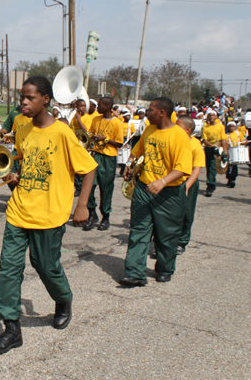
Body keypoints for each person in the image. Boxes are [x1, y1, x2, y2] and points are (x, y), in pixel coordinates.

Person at [0, 76, 96, 355]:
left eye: (30, 97)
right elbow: (25, 166)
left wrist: (81, 205)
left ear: (45, 100)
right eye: (22, 96)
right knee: (8, 269)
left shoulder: (62, 132)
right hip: (19, 210)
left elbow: (88, 168)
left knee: (45, 265)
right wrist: (12, 177)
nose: (23, 101)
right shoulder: (22, 131)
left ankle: (63, 298)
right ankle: (11, 328)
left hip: (51, 213)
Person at [119, 97, 192, 287]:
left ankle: (165, 269)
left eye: (150, 110)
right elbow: (138, 150)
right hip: (144, 189)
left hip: (169, 192)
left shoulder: (179, 136)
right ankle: (135, 273)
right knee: (139, 230)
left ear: (162, 113)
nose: (147, 112)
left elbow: (183, 168)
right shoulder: (149, 130)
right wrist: (129, 164)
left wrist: (162, 181)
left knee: (166, 234)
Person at [83, 96, 124, 231]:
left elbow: (119, 143)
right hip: (95, 156)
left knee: (106, 189)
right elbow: (91, 134)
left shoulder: (117, 123)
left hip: (108, 159)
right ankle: (92, 213)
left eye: (99, 105)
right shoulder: (95, 119)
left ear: (107, 107)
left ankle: (105, 216)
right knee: (88, 186)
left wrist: (105, 139)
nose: (97, 107)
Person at [174, 116, 204, 256]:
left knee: (186, 213)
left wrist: (186, 187)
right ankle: (163, 242)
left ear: (187, 130)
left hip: (187, 182)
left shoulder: (196, 145)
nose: (174, 127)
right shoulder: (173, 140)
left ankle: (181, 241)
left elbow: (196, 169)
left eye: (177, 125)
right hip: (171, 181)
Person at [201, 110, 228, 197]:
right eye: (209, 115)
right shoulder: (205, 127)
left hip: (217, 149)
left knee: (213, 166)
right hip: (209, 149)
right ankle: (211, 183)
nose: (211, 117)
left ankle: (210, 185)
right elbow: (205, 140)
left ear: (216, 117)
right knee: (209, 166)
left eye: (213, 115)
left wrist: (225, 150)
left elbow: (223, 139)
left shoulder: (220, 127)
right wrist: (212, 146)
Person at [225, 121, 245, 189]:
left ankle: (232, 179)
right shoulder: (226, 135)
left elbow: (243, 141)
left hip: (236, 151)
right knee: (229, 166)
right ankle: (229, 178)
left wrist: (245, 142)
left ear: (235, 127)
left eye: (232, 126)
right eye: (229, 126)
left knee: (234, 165)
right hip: (229, 151)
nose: (231, 128)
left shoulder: (239, 133)